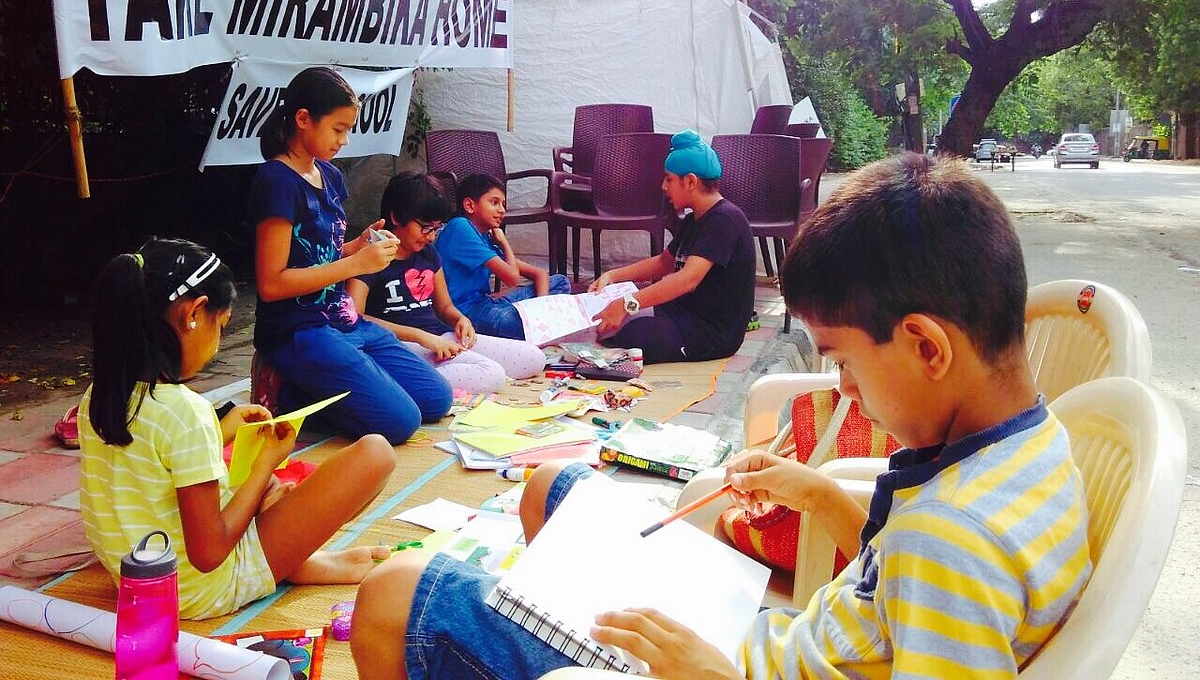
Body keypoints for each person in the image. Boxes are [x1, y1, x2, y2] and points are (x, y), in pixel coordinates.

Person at [349, 154, 1092, 680]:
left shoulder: (954, 547)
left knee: (393, 593)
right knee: (551, 484)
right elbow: (893, 583)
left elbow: (929, 570)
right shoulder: (1028, 446)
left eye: (844, 361)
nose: (845, 390)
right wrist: (816, 492)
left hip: (723, 663)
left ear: (926, 345)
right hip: (761, 637)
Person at [78, 238, 397, 620]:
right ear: (194, 313)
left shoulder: (100, 396)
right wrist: (266, 465)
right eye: (221, 327)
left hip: (138, 580)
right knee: (375, 454)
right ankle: (293, 561)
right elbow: (209, 553)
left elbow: (149, 458)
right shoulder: (184, 411)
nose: (216, 345)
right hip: (201, 589)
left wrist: (223, 429)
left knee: (264, 483)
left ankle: (294, 559)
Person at [248, 66, 451, 444]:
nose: (344, 140)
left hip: (342, 321)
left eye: (348, 129)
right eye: (338, 129)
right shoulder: (276, 180)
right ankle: (288, 394)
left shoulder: (329, 175)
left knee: (436, 399)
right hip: (297, 329)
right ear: (303, 119)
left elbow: (318, 257)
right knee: (402, 422)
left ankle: (328, 384)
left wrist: (357, 247)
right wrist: (356, 264)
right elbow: (272, 283)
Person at [347, 171, 544, 393]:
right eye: (426, 227)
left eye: (436, 228)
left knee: (534, 358)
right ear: (396, 217)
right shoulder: (371, 256)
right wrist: (420, 337)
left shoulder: (427, 253)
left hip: (438, 337)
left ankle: (422, 380)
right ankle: (394, 386)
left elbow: (444, 307)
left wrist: (461, 320)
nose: (431, 236)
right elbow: (356, 318)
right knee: (492, 374)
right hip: (396, 345)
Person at [589, 129, 755, 364]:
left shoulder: (725, 220)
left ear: (690, 181)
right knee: (618, 324)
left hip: (711, 334)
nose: (663, 187)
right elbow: (665, 262)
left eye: (668, 179)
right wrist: (612, 276)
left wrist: (627, 303)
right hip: (683, 314)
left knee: (634, 335)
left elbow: (688, 279)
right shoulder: (693, 219)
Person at [435, 172, 571, 340]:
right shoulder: (460, 227)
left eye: (503, 204)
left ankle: (538, 324)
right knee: (509, 321)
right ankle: (539, 326)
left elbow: (539, 274)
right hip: (465, 314)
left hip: (489, 305)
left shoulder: (485, 236)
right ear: (470, 205)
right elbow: (512, 278)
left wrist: (540, 308)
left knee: (560, 282)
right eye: (494, 202)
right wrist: (504, 242)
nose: (502, 210)